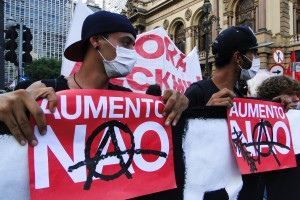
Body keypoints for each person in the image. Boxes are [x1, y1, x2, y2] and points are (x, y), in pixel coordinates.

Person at [19, 10, 188, 147]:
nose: (131, 52)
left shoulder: (128, 99)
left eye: (132, 45)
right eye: (125, 42)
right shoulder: (45, 90)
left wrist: (179, 104)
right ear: (96, 41)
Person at [184, 26, 293, 200]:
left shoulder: (240, 96)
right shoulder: (197, 92)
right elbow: (182, 147)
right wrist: (206, 114)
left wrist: (273, 108)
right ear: (238, 57)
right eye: (253, 54)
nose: (255, 59)